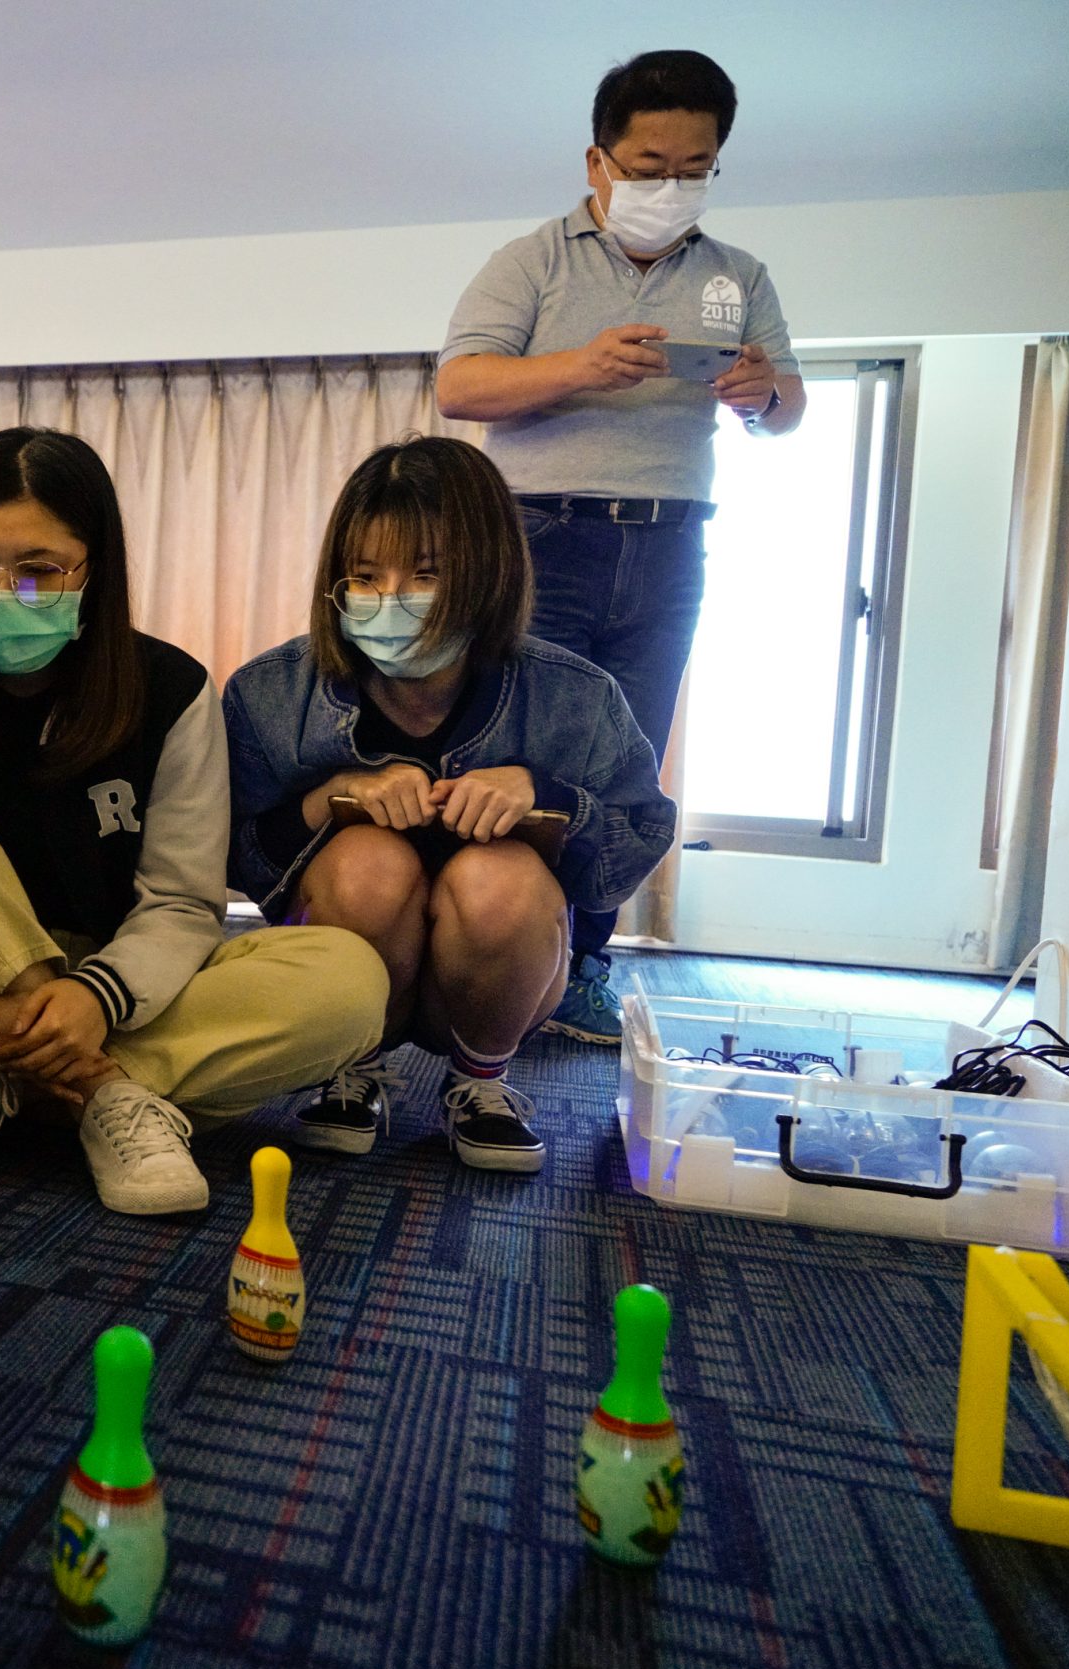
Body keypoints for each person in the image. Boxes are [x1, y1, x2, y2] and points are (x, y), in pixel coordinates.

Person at [0, 428, 388, 1216]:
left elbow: (181, 903)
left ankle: (8, 1087)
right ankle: (103, 1091)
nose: (5, 594)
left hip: (112, 1000)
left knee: (350, 978)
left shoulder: (170, 691)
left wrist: (94, 1002)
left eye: (40, 572)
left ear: (92, 571)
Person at [437, 48, 803, 1045]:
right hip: (538, 537)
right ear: (597, 160)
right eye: (649, 166)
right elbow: (459, 387)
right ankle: (490, 949)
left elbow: (787, 411)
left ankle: (583, 963)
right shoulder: (531, 261)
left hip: (673, 542)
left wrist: (762, 393)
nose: (670, 186)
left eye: (694, 169)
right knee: (508, 748)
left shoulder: (738, 275)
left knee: (625, 761)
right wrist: (580, 366)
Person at [223, 437, 676, 1173]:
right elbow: (231, 861)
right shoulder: (270, 691)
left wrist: (550, 796)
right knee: (367, 863)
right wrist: (326, 801)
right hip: (343, 968)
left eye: (426, 574)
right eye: (365, 576)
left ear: (488, 575)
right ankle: (352, 1064)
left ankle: (482, 1080)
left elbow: (631, 851)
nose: (390, 599)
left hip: (503, 973)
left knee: (500, 875)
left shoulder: (575, 695)